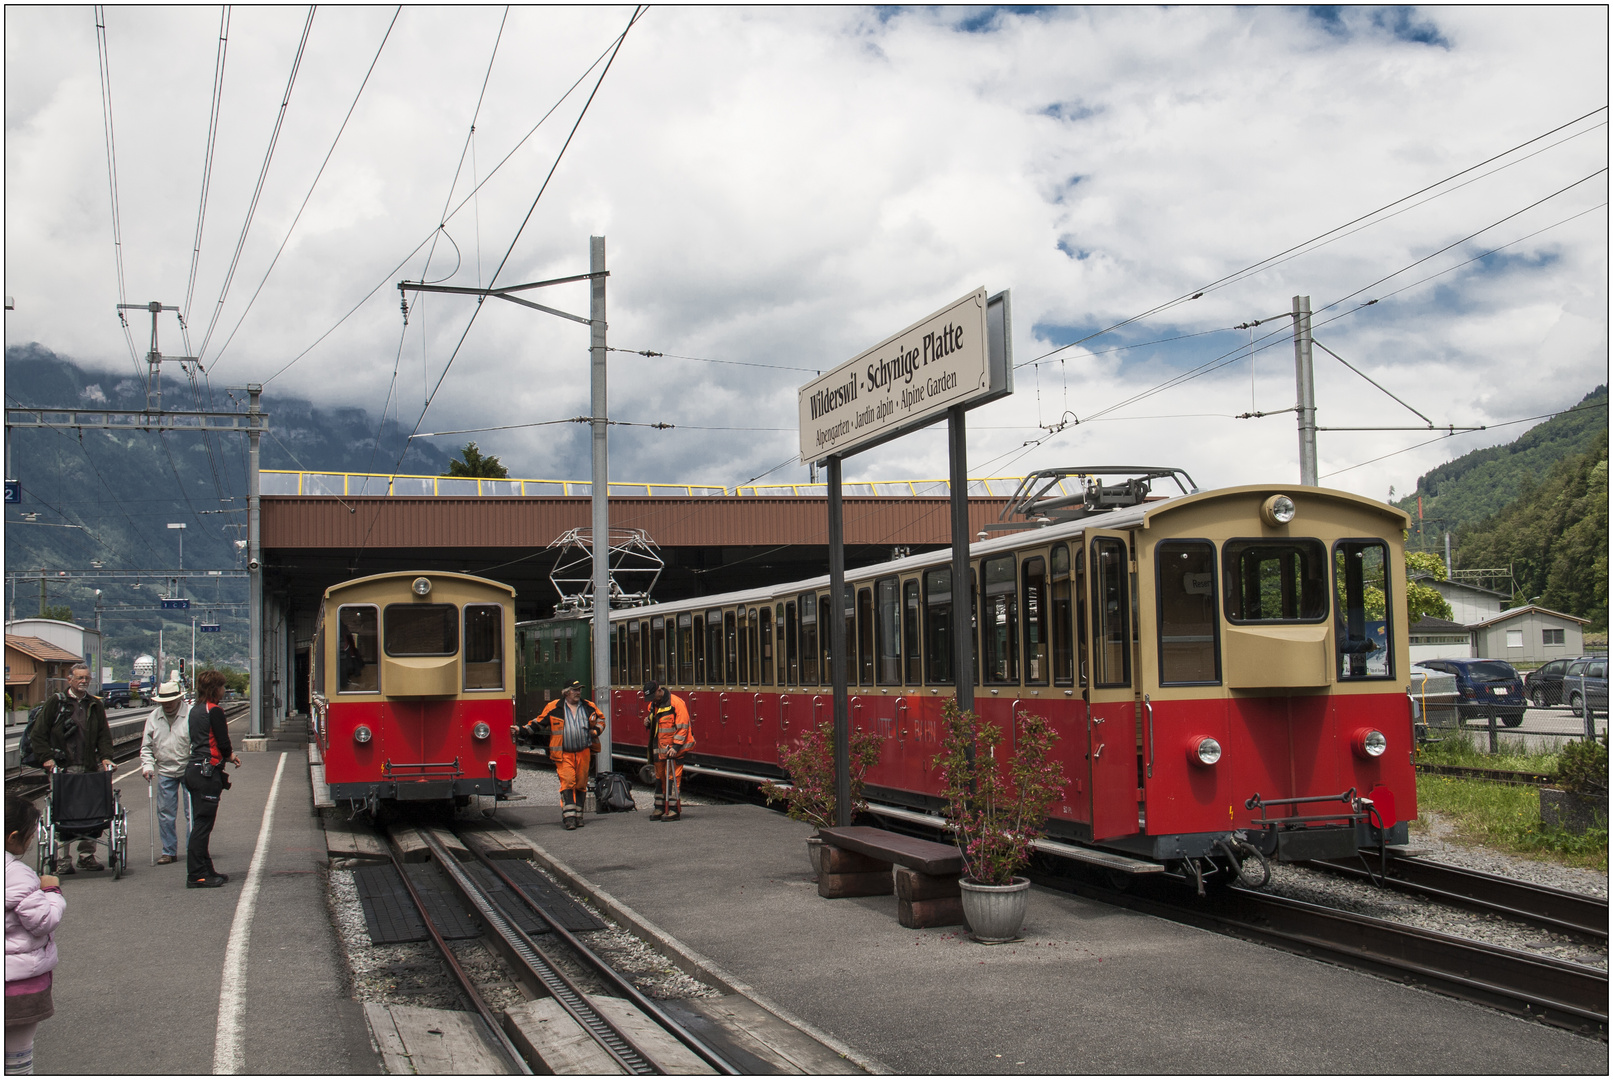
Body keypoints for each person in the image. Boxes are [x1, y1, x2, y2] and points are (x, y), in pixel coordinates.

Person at [26, 664, 114, 873]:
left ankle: (87, 856)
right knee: (62, 813)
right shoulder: (55, 703)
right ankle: (63, 861)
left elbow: (103, 735)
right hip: (63, 768)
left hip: (89, 766)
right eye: (79, 678)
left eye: (87, 678)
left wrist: (107, 758)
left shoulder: (95, 704)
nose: (84, 681)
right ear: (70, 680)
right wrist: (47, 758)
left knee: (91, 810)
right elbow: (38, 734)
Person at [6, 792, 64, 1076]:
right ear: (12, 837)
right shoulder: (16, 874)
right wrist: (51, 891)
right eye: (29, 837)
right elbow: (42, 921)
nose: (29, 843)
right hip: (18, 989)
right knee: (17, 1055)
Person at [183, 670, 241, 889]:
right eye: (222, 686)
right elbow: (223, 741)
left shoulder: (195, 710)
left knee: (201, 822)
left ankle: (207, 869)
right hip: (207, 772)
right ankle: (196, 874)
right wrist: (231, 756)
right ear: (215, 689)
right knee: (202, 825)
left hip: (194, 770)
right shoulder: (214, 711)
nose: (224, 691)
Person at [522, 680, 605, 831]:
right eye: (575, 690)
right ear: (566, 692)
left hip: (583, 752)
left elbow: (601, 719)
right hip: (563, 753)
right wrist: (522, 731)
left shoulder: (588, 706)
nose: (578, 692)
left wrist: (596, 731)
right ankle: (569, 818)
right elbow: (539, 722)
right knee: (568, 782)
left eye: (579, 690)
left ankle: (579, 816)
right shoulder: (554, 707)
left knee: (580, 784)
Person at [138, 681, 192, 865]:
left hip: (188, 768)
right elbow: (146, 746)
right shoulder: (154, 717)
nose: (167, 704)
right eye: (163, 701)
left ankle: (193, 848)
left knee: (191, 812)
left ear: (179, 699)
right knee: (165, 812)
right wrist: (147, 766)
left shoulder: (190, 714)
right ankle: (168, 851)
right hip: (165, 770)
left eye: (171, 700)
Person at [641, 681, 695, 821]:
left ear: (659, 690)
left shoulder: (676, 704)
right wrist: (648, 721)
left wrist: (676, 747)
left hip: (674, 750)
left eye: (653, 696)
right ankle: (659, 807)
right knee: (660, 778)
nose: (652, 700)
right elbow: (657, 723)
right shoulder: (654, 705)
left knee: (672, 779)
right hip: (660, 750)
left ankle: (673, 810)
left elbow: (683, 726)